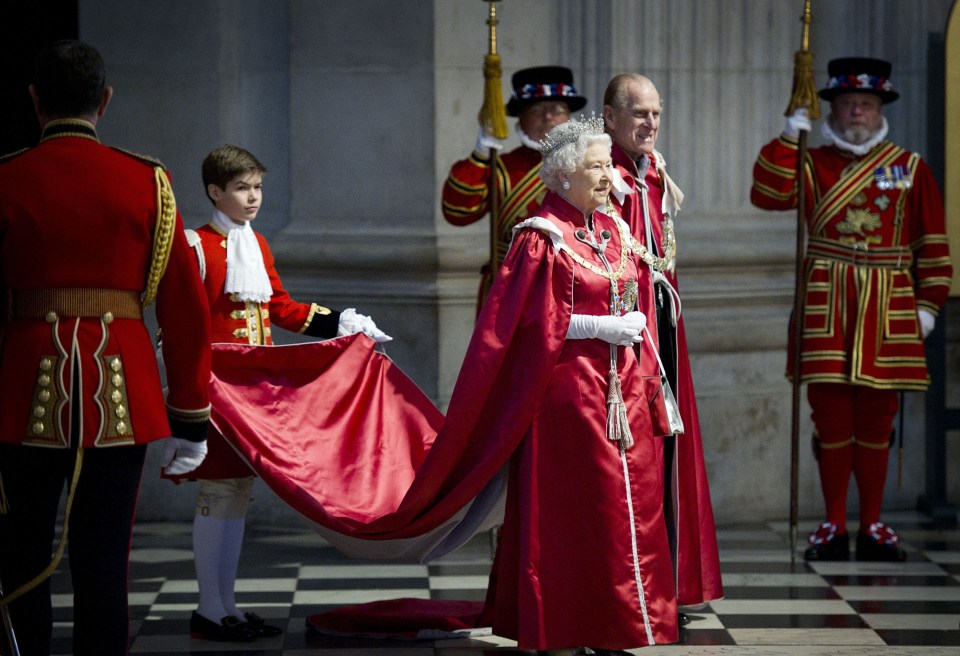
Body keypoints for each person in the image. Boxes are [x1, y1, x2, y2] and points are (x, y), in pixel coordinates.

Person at [0, 40, 212, 656]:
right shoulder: (150, 181)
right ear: (106, 100)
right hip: (118, 392)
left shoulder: (8, 177)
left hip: (19, 392)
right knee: (103, 562)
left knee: (20, 559)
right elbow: (185, 309)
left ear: (35, 100)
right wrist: (191, 415)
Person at [165, 144, 391, 642]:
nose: (253, 198)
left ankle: (227, 605)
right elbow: (181, 323)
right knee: (219, 491)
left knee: (237, 493)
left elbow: (282, 309)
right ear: (215, 191)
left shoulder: (257, 244)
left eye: (258, 187)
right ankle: (209, 607)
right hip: (216, 390)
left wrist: (341, 320)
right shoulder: (195, 246)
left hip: (254, 395)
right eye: (242, 188)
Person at [477, 116, 676, 654]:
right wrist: (596, 327)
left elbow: (633, 284)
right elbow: (524, 322)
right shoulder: (540, 237)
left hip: (622, 390)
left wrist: (631, 322)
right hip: (569, 395)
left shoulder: (611, 228)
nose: (609, 175)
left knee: (623, 510)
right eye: (596, 165)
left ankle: (614, 629)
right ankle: (564, 630)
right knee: (576, 516)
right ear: (563, 175)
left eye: (609, 164)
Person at [751, 57, 952, 561]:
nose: (856, 112)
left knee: (878, 419)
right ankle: (834, 523)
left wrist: (927, 306)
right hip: (827, 303)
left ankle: (876, 524)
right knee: (832, 418)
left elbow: (933, 243)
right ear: (832, 111)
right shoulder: (810, 160)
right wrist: (784, 138)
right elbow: (767, 195)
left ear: (880, 108)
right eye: (846, 104)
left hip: (889, 307)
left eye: (865, 104)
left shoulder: (909, 168)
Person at [602, 73, 723, 611]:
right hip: (623, 331)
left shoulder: (655, 172)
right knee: (639, 456)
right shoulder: (599, 173)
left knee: (671, 449)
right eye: (638, 113)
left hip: (663, 322)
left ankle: (668, 583)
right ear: (610, 118)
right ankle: (633, 588)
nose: (650, 123)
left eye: (656, 113)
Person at [441, 65, 586, 312]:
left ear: (569, 117)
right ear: (521, 119)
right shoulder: (502, 166)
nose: (549, 117)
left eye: (557, 109)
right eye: (537, 110)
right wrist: (480, 156)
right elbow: (457, 212)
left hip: (575, 284)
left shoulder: (592, 164)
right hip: (512, 291)